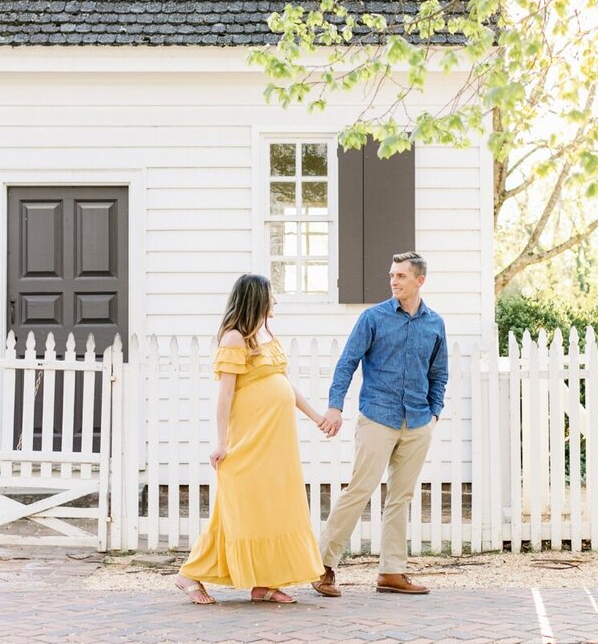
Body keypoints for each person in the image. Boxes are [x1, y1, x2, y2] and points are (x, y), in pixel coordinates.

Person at [174, 273, 331, 605]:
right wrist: (221, 442)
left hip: (277, 445)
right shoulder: (234, 340)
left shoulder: (268, 340)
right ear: (256, 300)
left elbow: (286, 387)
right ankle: (189, 574)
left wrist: (316, 416)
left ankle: (264, 583)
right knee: (240, 511)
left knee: (273, 508)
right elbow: (225, 395)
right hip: (249, 443)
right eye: (271, 296)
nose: (275, 301)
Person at [312, 251, 448, 597]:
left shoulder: (435, 324)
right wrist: (334, 406)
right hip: (378, 417)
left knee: (400, 497)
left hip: (417, 421)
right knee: (359, 491)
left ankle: (392, 572)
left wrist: (434, 413)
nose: (393, 281)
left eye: (401, 276)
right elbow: (347, 364)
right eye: (391, 275)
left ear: (420, 280)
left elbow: (439, 373)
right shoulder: (372, 318)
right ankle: (321, 566)